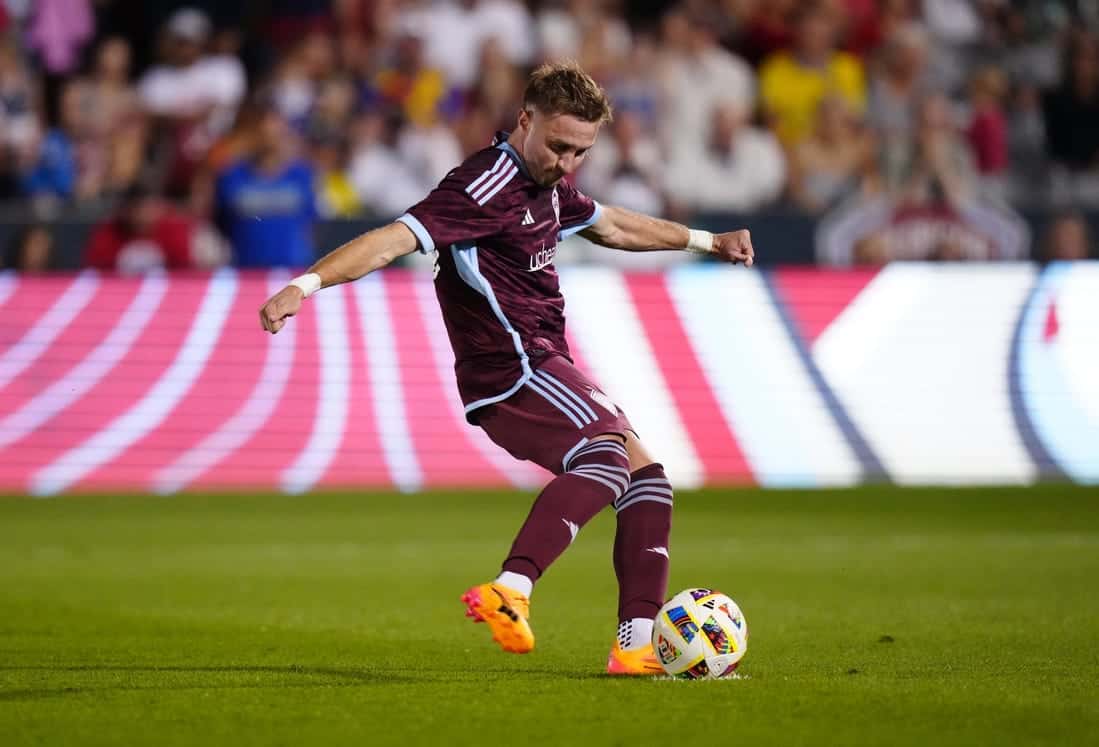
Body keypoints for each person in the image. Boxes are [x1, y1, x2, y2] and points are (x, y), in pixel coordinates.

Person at [257, 62, 755, 675]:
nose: (568, 162)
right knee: (605, 459)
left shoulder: (548, 185)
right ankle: (511, 590)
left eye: (581, 151)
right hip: (515, 367)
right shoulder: (481, 187)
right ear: (525, 120)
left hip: (541, 360)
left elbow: (614, 226)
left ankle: (635, 646)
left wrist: (707, 241)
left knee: (647, 477)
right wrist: (304, 287)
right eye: (558, 145)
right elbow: (389, 240)